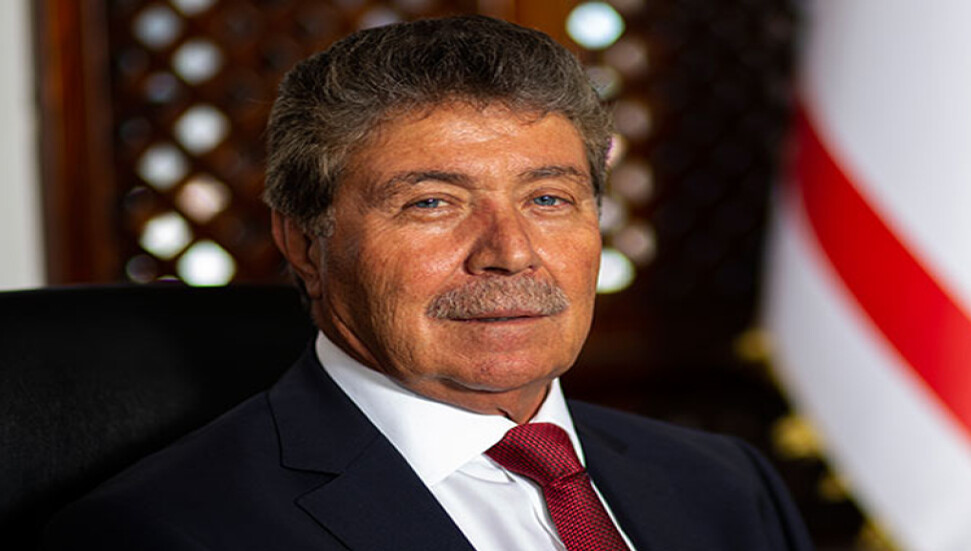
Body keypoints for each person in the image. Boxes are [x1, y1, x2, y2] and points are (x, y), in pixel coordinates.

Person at [43, 15, 813, 551]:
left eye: (549, 199)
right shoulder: (163, 533)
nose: (510, 253)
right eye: (432, 203)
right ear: (304, 243)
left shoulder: (723, 484)